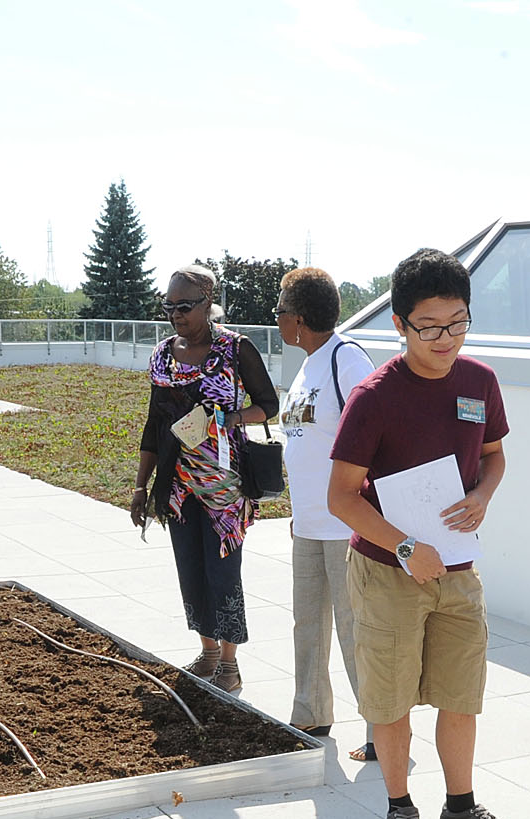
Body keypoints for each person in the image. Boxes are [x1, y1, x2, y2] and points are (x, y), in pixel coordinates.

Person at [327, 248, 530, 819]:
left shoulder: (480, 382)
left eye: (458, 322)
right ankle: (398, 808)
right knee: (389, 698)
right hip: (389, 570)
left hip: (458, 570)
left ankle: (461, 808)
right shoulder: (374, 397)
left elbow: (493, 455)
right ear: (399, 324)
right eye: (430, 326)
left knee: (460, 692)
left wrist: (483, 495)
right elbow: (340, 497)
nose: (446, 338)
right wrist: (407, 547)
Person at [132, 264, 280, 693]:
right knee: (191, 569)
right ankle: (209, 650)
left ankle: (230, 662)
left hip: (224, 488)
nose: (176, 315)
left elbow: (268, 404)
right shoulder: (162, 355)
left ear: (208, 303)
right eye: (169, 307)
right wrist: (142, 484)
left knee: (223, 571)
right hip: (177, 488)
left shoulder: (236, 349)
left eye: (185, 306)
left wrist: (228, 418)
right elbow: (154, 424)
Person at [275, 266, 378, 744]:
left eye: (280, 311)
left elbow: (376, 437)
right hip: (310, 524)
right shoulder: (307, 365)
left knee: (357, 631)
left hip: (346, 528)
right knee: (308, 625)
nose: (276, 319)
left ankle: (383, 727)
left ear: (298, 318)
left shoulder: (346, 359)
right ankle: (310, 713)